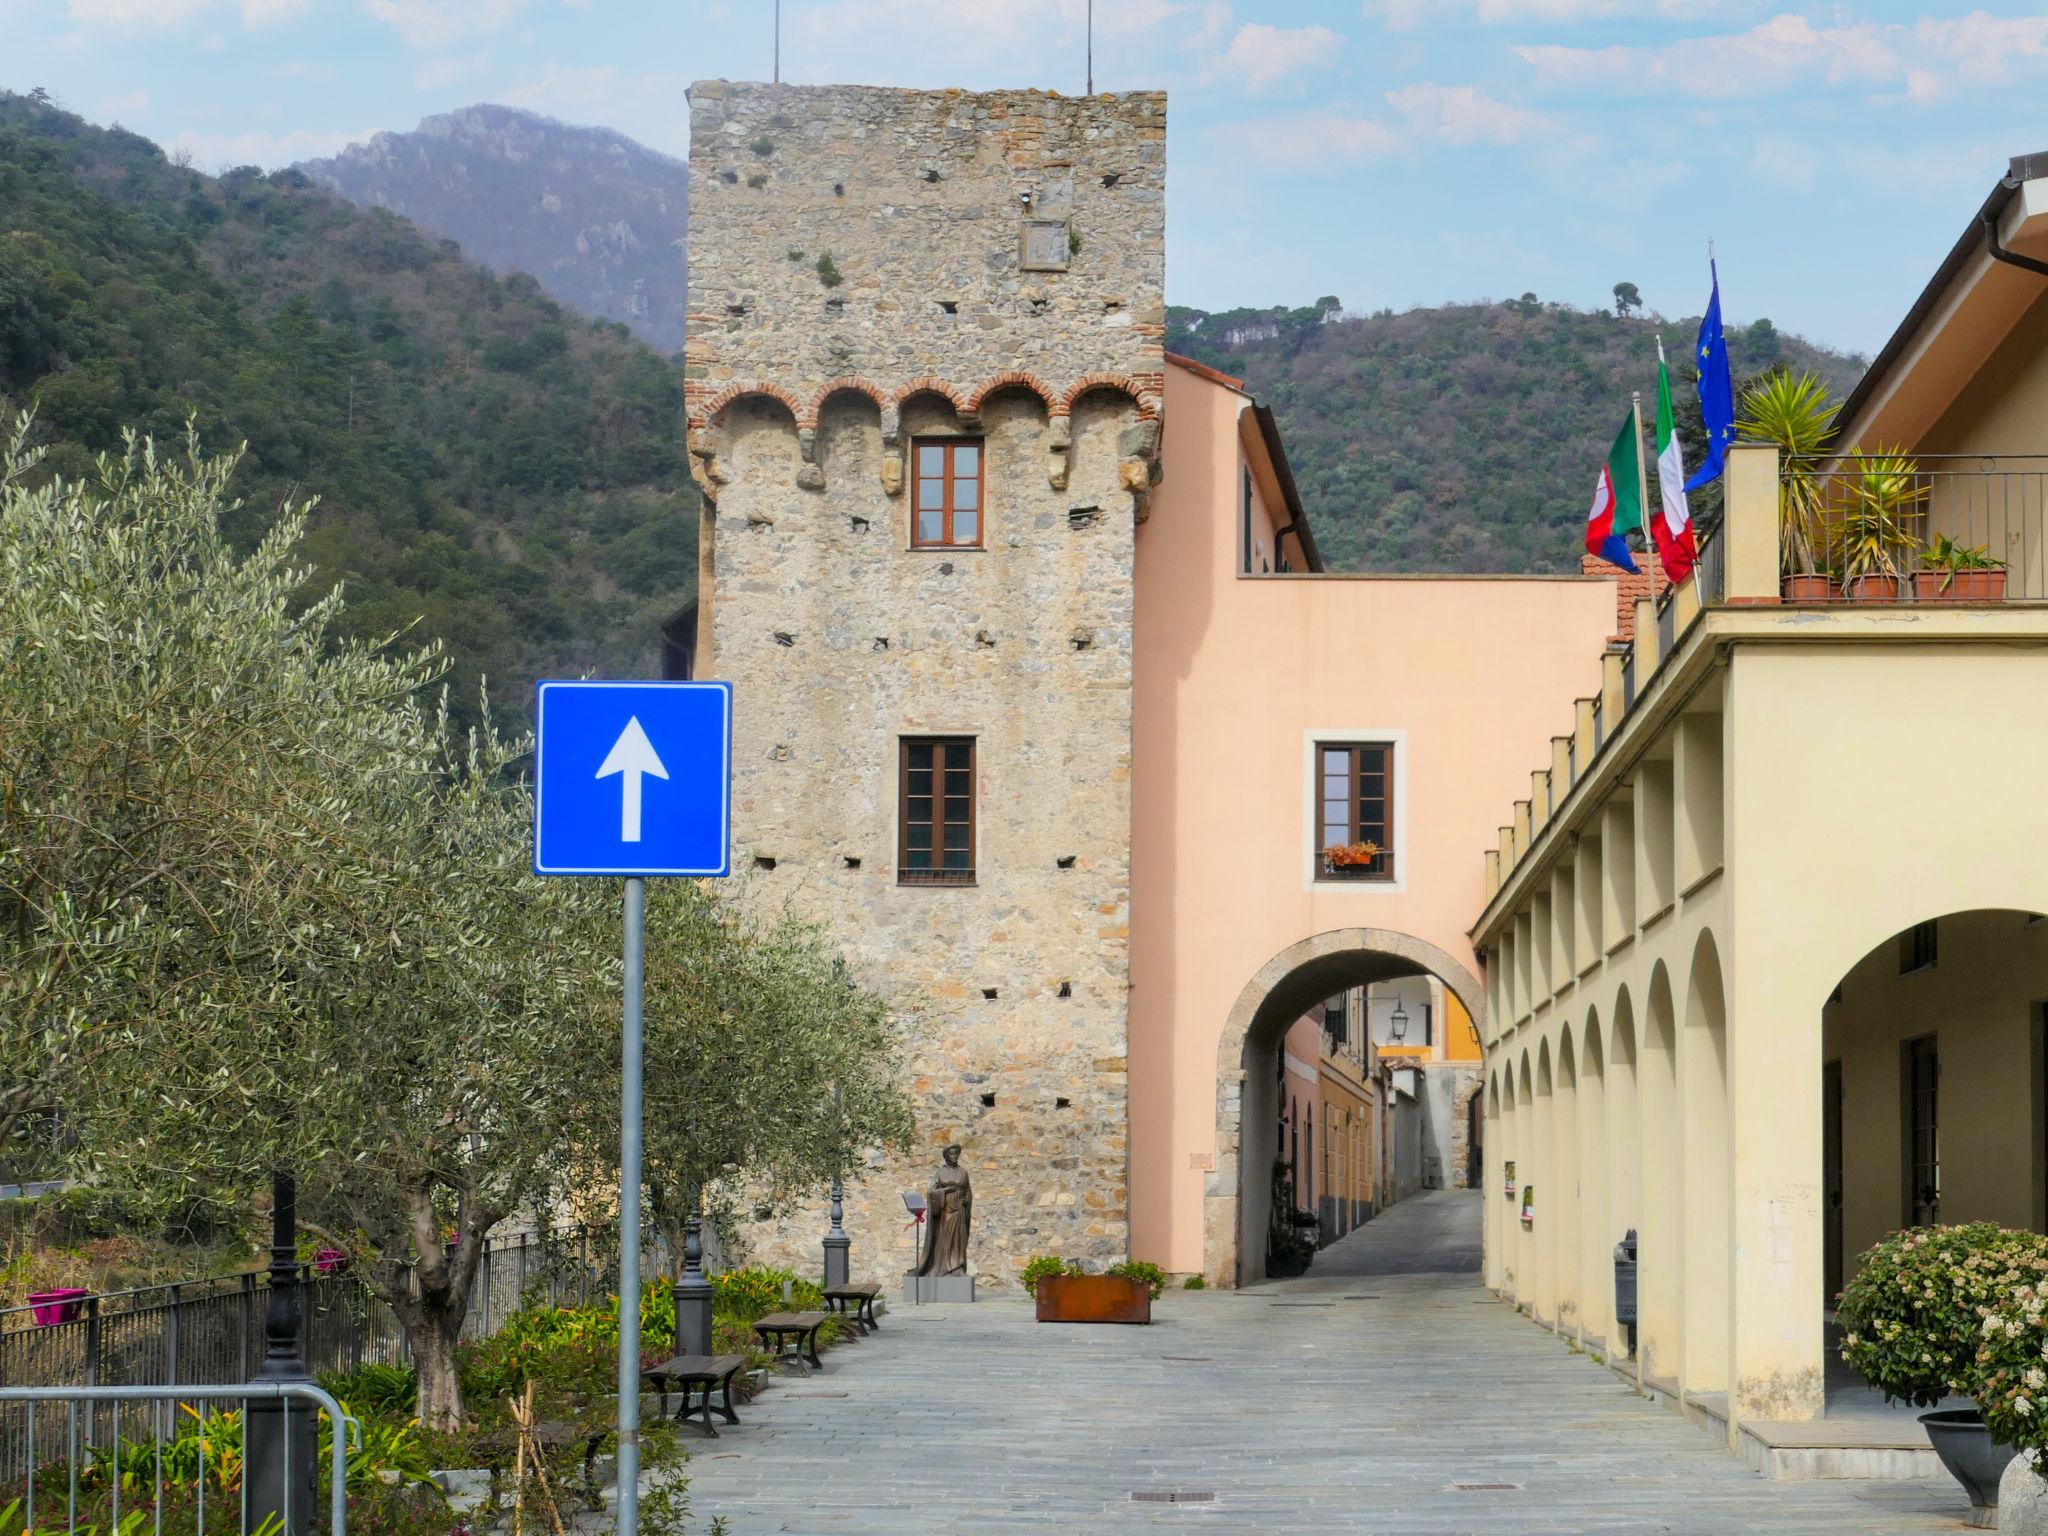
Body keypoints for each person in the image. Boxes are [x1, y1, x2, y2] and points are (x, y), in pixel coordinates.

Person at [913, 1143, 972, 1276]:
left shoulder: (963, 1172)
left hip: (960, 1211)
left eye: (957, 1154)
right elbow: (932, 1191)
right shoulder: (940, 1172)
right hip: (945, 1210)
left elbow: (968, 1191)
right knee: (944, 1240)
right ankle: (943, 1268)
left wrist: (966, 1200)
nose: (955, 1156)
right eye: (952, 1154)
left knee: (958, 1241)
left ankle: (958, 1269)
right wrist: (945, 1190)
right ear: (946, 1156)